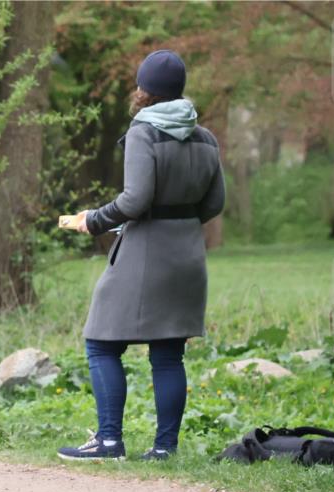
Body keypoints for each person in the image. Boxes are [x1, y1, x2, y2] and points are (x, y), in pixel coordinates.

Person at [57, 49, 225, 462]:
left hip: (145, 252)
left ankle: (109, 441)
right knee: (168, 352)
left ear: (144, 91)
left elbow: (135, 199)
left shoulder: (143, 132)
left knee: (100, 342)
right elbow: (215, 202)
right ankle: (165, 448)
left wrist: (94, 220)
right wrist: (180, 222)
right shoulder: (205, 138)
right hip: (188, 253)